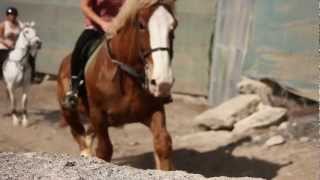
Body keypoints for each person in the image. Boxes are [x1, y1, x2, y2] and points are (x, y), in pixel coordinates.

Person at [64, 0, 174, 108]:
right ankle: (74, 88)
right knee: (81, 47)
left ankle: (156, 85)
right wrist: (103, 23)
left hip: (121, 30)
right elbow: (85, 6)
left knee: (146, 49)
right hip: (97, 28)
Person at [0, 7, 21, 78]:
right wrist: (7, 45)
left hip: (16, 47)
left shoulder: (19, 24)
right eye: (10, 15)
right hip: (4, 47)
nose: (12, 16)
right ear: (7, 16)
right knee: (3, 59)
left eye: (14, 15)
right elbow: (0, 38)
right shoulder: (3, 25)